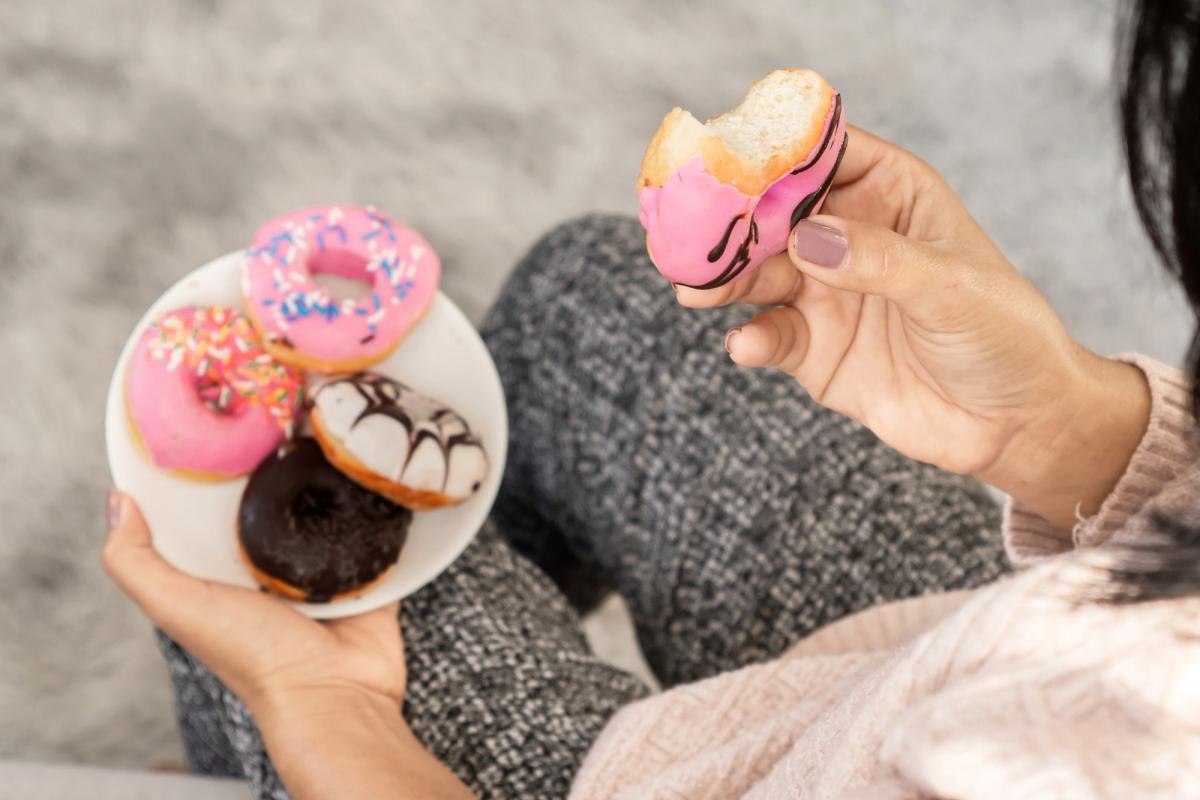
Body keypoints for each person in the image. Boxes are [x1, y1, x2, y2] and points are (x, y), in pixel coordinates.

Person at [103, 0, 1200, 797]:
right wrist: (1069, 431)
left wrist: (332, 726)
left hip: (880, 742)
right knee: (589, 293)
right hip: (989, 641)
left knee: (257, 582)